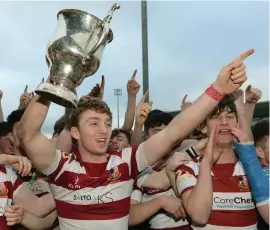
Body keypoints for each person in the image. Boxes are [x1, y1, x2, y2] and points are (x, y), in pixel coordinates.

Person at [16, 49, 253, 230]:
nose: (104, 131)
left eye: (108, 123)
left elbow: (175, 131)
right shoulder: (60, 167)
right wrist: (58, 78)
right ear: (75, 133)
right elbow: (27, 134)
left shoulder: (125, 162)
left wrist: (217, 89)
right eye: (94, 124)